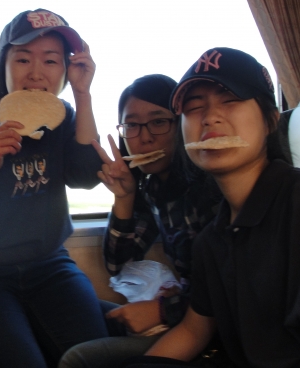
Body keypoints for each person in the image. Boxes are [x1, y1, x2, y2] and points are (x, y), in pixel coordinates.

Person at [0, 8, 109, 368]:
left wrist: (83, 95)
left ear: (65, 70)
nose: (36, 72)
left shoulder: (62, 117)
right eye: (22, 59)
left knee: (95, 358)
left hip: (50, 265)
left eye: (51, 60)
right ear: (3, 67)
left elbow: (85, 176)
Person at [122, 47, 300, 368]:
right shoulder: (212, 240)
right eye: (193, 107)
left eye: (230, 100)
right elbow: (194, 329)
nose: (209, 117)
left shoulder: (293, 203)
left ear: (271, 119)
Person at [58, 74, 222, 368]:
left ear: (181, 124)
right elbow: (120, 264)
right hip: (185, 307)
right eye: (132, 125)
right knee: (73, 310)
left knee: (77, 359)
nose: (144, 138)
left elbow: (233, 290)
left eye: (158, 122)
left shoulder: (209, 188)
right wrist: (125, 196)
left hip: (213, 327)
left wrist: (163, 310)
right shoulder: (153, 187)